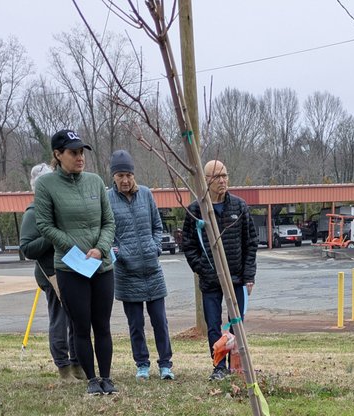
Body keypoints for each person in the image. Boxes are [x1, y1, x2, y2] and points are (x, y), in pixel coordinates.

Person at [33, 129, 116, 395]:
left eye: (82, 152)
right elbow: (44, 225)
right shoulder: (47, 185)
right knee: (81, 326)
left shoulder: (95, 182)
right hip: (70, 267)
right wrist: (74, 246)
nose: (80, 157)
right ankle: (91, 379)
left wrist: (101, 248)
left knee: (102, 325)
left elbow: (109, 221)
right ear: (58, 155)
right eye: (73, 152)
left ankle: (106, 377)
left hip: (101, 265)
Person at [182, 159, 257, 380]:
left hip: (237, 278)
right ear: (206, 181)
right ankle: (219, 367)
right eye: (217, 177)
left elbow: (251, 242)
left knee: (237, 323)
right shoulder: (197, 210)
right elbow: (188, 244)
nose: (222, 181)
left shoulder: (240, 207)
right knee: (213, 324)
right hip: (210, 280)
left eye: (225, 175)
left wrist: (249, 275)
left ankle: (237, 364)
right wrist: (202, 268)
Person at [107, 149, 174, 381]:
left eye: (128, 175)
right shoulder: (107, 199)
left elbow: (158, 226)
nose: (125, 180)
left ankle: (165, 364)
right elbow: (107, 233)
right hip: (126, 273)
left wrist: (155, 247)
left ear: (133, 175)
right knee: (136, 324)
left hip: (152, 270)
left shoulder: (146, 194)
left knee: (160, 322)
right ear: (113, 177)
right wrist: (118, 251)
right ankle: (142, 364)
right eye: (120, 176)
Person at [20, 163, 82, 382]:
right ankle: (63, 368)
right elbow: (27, 248)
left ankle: (77, 363)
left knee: (77, 319)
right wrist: (51, 234)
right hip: (50, 274)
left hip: (73, 269)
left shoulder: (59, 207)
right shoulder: (33, 212)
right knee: (60, 320)